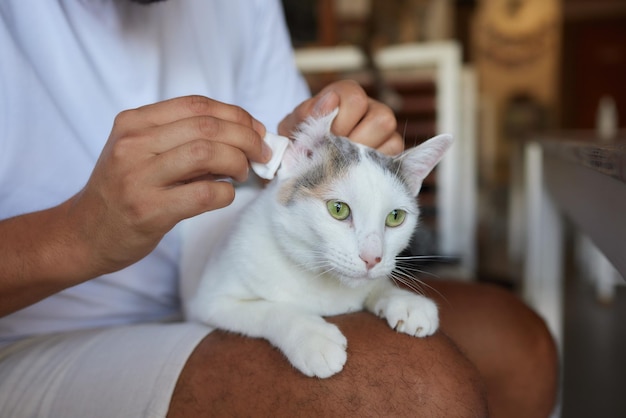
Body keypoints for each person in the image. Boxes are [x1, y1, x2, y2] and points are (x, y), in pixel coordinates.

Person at [0, 1, 558, 417]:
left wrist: (339, 133)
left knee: (523, 346)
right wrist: (76, 236)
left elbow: (289, 160)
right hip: (30, 339)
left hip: (235, 285)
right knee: (418, 392)